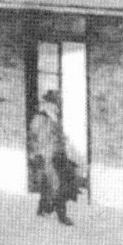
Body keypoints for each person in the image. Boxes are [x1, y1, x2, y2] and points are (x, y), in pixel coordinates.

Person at [28, 90, 80, 226]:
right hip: (48, 156)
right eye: (56, 102)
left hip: (57, 154)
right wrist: (36, 155)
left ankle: (44, 208)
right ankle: (61, 216)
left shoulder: (53, 118)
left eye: (59, 102)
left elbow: (58, 137)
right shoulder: (41, 119)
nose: (58, 105)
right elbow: (35, 139)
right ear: (49, 103)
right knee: (58, 184)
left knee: (51, 183)